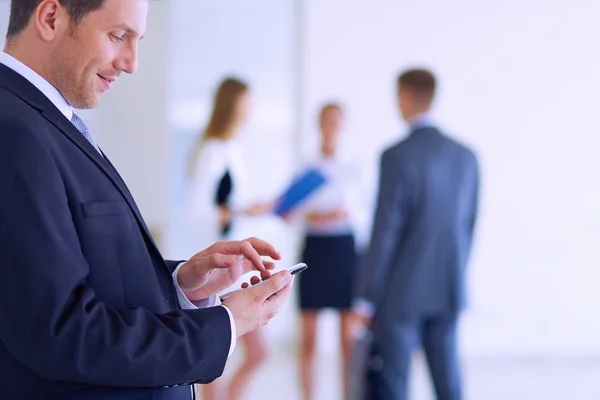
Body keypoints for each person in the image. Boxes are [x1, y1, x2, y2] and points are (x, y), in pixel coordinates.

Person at [0, 1, 294, 399]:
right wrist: (225, 324)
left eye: (137, 40)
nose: (132, 63)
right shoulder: (15, 132)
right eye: (118, 36)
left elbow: (76, 276)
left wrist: (181, 284)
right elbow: (61, 332)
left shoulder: (47, 121)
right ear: (51, 18)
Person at [352, 69, 480, 400]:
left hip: (401, 291)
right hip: (447, 285)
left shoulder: (396, 156)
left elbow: (386, 230)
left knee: (394, 386)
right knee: (449, 384)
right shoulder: (466, 157)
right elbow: (468, 226)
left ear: (405, 97)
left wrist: (366, 294)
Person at [187, 77, 273, 400]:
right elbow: (200, 210)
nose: (250, 110)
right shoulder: (213, 151)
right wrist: (239, 211)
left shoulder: (232, 149)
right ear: (232, 104)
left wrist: (246, 209)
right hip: (219, 270)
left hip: (236, 269)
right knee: (222, 357)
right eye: (246, 102)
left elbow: (228, 206)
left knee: (236, 355)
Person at [290, 103, 363, 400]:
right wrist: (312, 216)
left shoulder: (354, 166)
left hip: (344, 249)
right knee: (308, 337)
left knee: (348, 338)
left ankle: (349, 395)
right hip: (315, 249)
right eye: (326, 122)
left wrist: (342, 215)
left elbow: (365, 212)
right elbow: (289, 210)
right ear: (318, 125)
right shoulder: (307, 167)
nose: (331, 127)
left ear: (343, 126)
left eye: (336, 122)